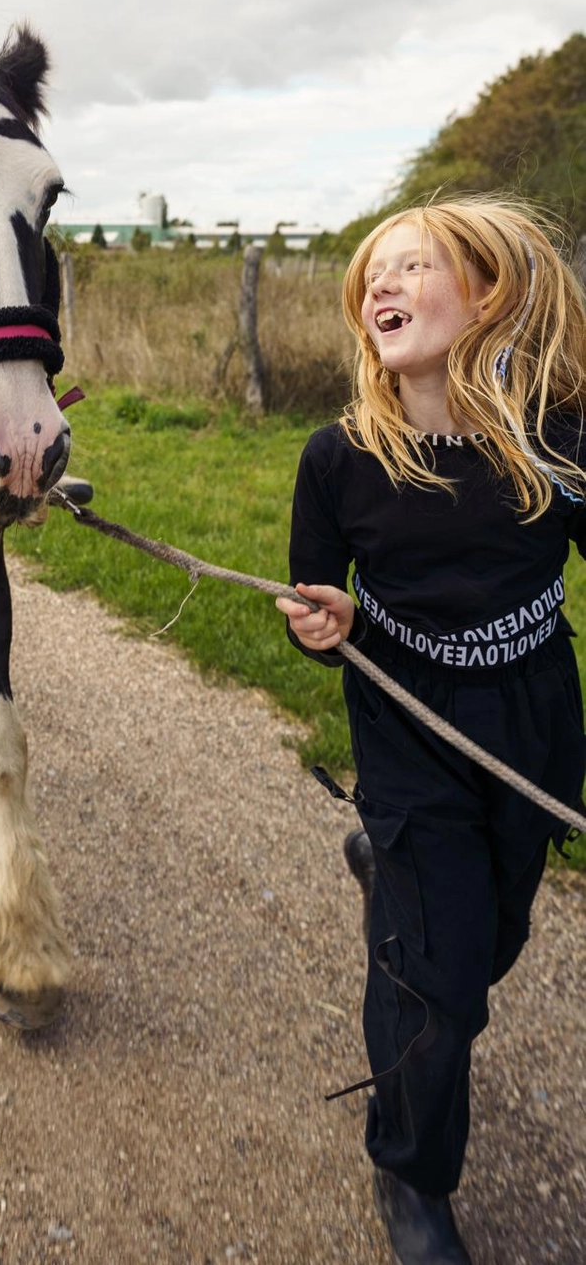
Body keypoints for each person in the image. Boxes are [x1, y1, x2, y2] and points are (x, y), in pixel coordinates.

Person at [275, 198, 586, 1264]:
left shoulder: (558, 439)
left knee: (492, 940)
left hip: (532, 723)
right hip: (407, 730)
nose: (383, 288)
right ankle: (411, 1174)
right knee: (438, 987)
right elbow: (317, 611)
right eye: (373, 276)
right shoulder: (339, 458)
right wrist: (329, 625)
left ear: (489, 294)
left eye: (415, 266)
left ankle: (393, 888)